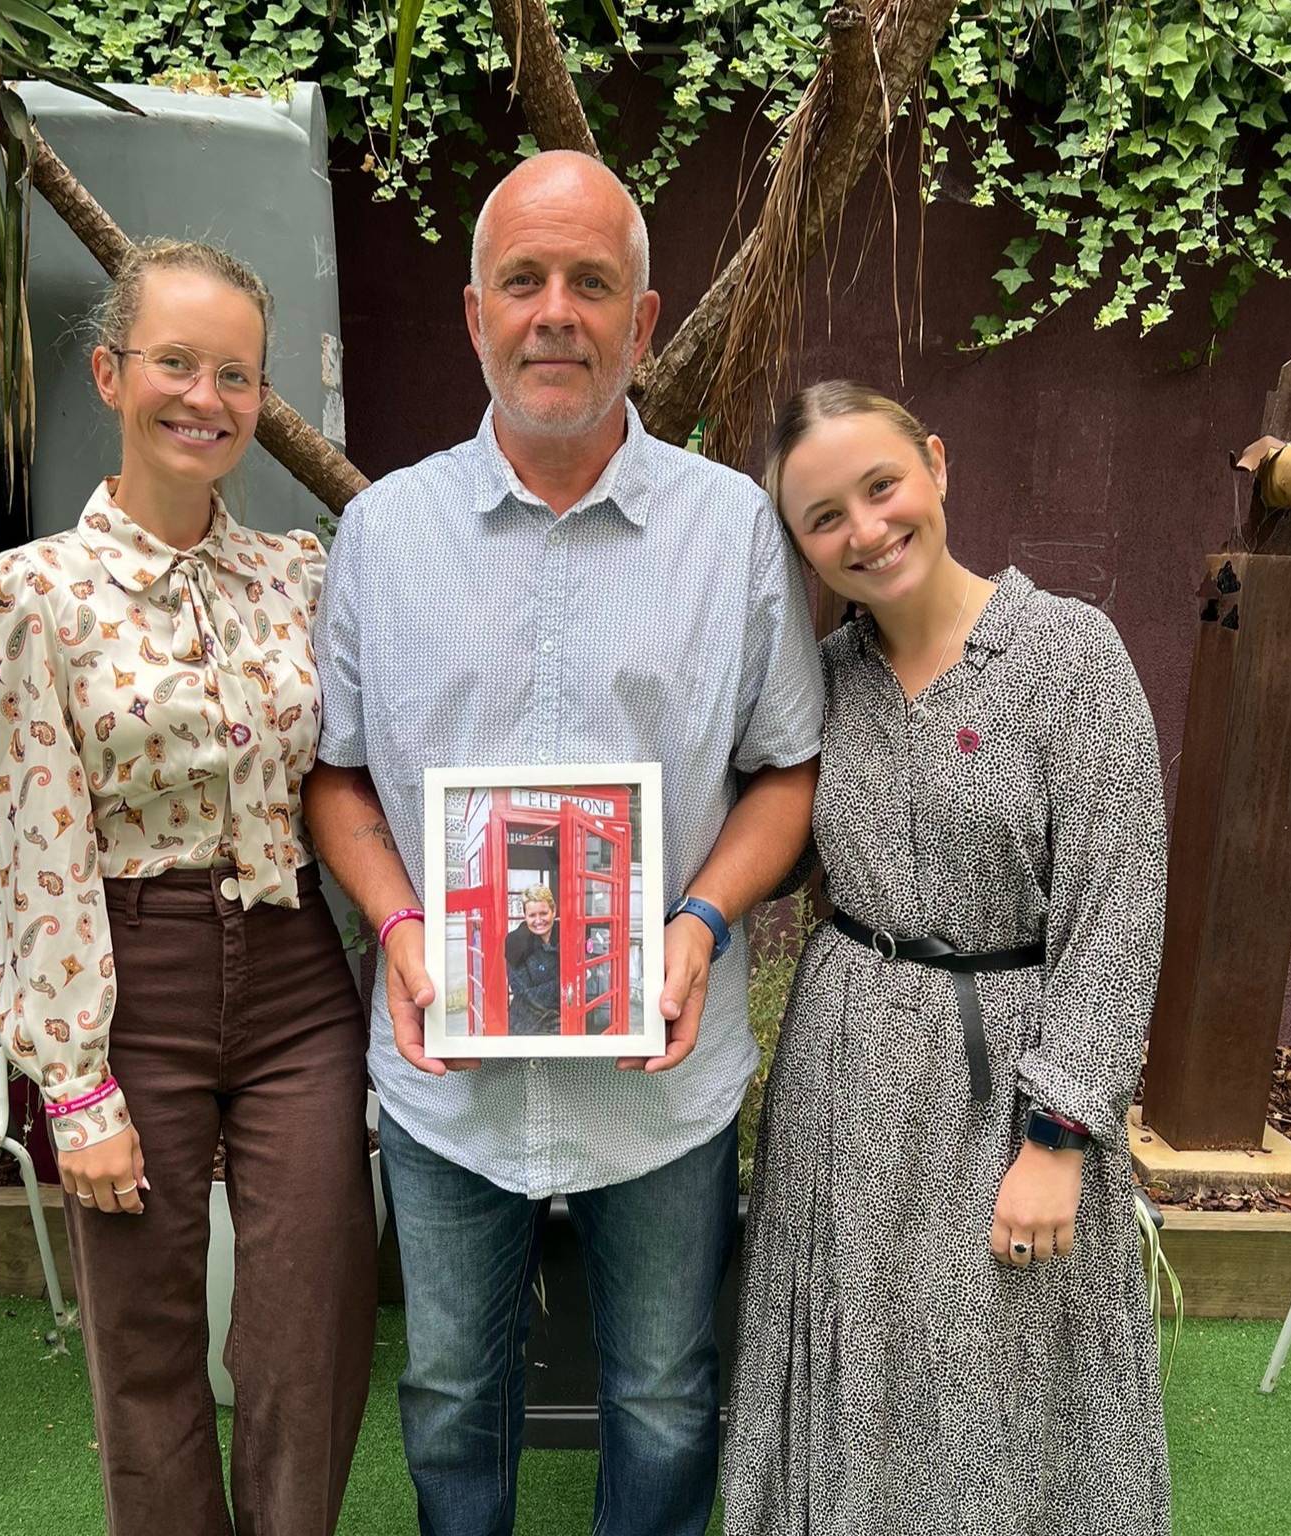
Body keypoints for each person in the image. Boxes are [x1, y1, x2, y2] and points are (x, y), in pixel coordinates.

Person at [304, 150, 824, 1536]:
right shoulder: (382, 534)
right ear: (475, 312)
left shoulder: (736, 537)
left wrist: (700, 924)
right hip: (450, 1077)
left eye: (592, 283)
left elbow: (788, 775)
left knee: (662, 1392)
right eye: (523, 281)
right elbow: (338, 781)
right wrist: (404, 930)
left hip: (660, 1088)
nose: (556, 312)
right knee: (449, 1391)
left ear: (642, 324)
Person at [0, 239, 376, 1536]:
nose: (207, 398)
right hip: (129, 981)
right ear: (110, 373)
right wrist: (74, 1084)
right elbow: (32, 842)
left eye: (238, 375)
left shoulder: (300, 578)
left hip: (299, 979)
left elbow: (360, 770)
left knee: (309, 1332)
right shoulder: (30, 595)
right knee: (146, 1355)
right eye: (177, 364)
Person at [723, 381, 1171, 1535]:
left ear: (935, 464)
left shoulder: (1071, 655)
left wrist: (1061, 1135)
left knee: (1002, 1366)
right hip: (849, 1076)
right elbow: (756, 844)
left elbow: (1117, 910)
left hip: (1013, 1079)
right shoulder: (819, 686)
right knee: (858, 1354)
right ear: (803, 549)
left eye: (882, 487)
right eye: (825, 518)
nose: (865, 530)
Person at [505, 884, 561, 1035]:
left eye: (543, 913)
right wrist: (565, 985)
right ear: (525, 916)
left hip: (561, 1022)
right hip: (526, 1025)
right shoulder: (515, 943)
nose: (538, 920)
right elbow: (524, 994)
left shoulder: (567, 935)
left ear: (553, 911)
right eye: (532, 915)